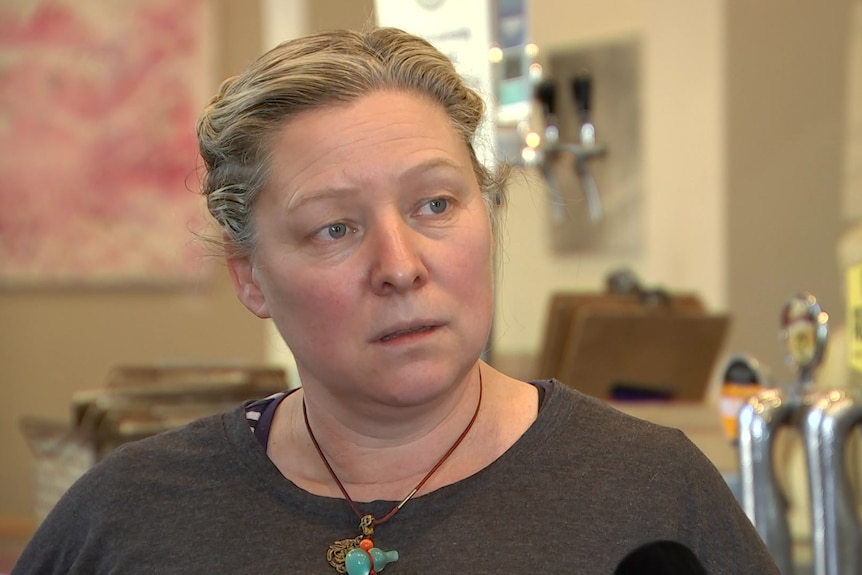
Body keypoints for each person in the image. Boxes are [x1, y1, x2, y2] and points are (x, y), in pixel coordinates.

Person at [13, 27, 779, 574]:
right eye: (335, 227)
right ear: (249, 275)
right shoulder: (130, 515)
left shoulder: (649, 494)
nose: (400, 265)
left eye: (436, 205)